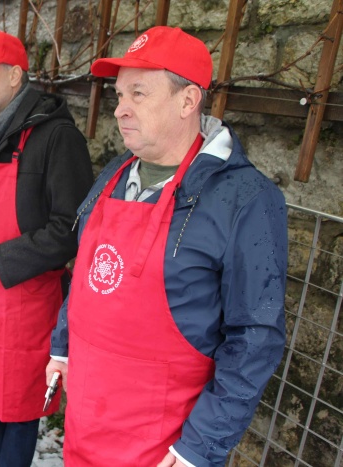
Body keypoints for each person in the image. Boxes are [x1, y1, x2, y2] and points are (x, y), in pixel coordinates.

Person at [46, 26, 288, 466]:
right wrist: (62, 345)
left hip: (165, 444)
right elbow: (86, 273)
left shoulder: (246, 199)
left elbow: (255, 338)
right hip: (87, 420)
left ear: (188, 100)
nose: (120, 110)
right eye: (119, 95)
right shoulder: (115, 174)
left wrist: (201, 444)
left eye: (138, 94)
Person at [0, 31, 94, 467]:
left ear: (14, 76)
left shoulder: (56, 138)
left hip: (25, 305)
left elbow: (71, 228)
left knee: (18, 411)